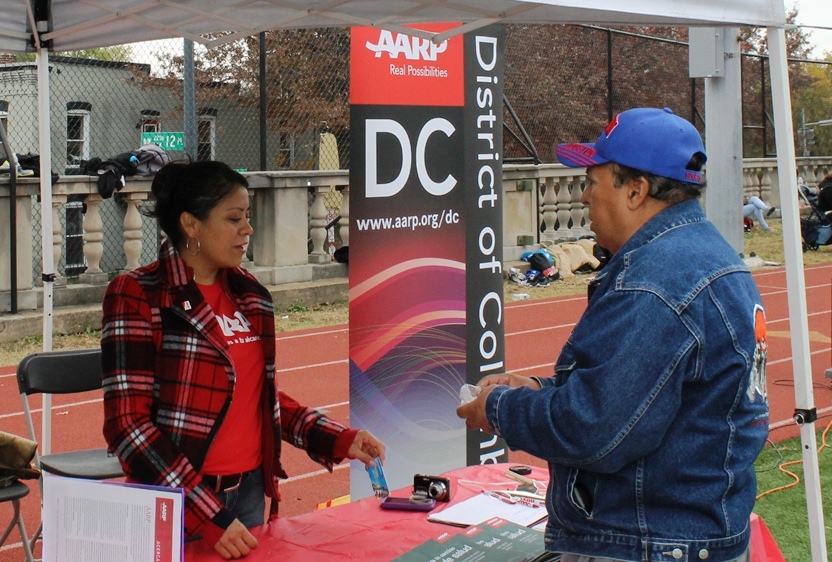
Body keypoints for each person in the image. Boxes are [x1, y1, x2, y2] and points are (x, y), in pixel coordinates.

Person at [457, 108, 769, 562]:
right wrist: (543, 389)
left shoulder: (657, 279)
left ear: (636, 191)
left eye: (592, 181)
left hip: (648, 543)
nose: (583, 197)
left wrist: (500, 407)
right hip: (687, 535)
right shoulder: (705, 255)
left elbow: (594, 430)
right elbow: (650, 396)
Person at [101, 160, 385, 560]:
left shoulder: (249, 293)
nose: (247, 229)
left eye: (247, 217)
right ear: (191, 224)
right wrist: (204, 513)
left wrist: (336, 437)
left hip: (250, 493)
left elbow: (257, 396)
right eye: (234, 218)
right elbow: (128, 425)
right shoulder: (138, 294)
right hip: (181, 503)